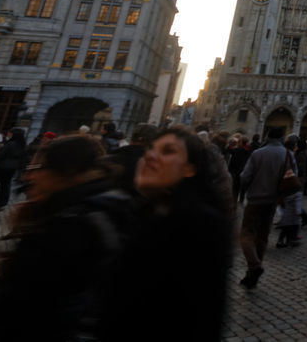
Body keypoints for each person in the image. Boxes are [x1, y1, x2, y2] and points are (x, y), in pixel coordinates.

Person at [0, 134, 133, 342]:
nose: (27, 177)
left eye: (38, 169)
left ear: (64, 171)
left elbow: (19, 298)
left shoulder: (70, 223)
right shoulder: (108, 205)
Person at [99, 125, 234, 341]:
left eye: (168, 151)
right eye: (151, 148)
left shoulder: (200, 225)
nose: (151, 156)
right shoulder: (142, 211)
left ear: (190, 169)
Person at [236, 126, 288, 288]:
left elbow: (244, 178)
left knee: (246, 234)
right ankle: (252, 276)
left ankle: (254, 266)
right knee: (262, 237)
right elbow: (292, 177)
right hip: (273, 201)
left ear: (267, 136)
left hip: (255, 200)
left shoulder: (258, 153)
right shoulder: (288, 154)